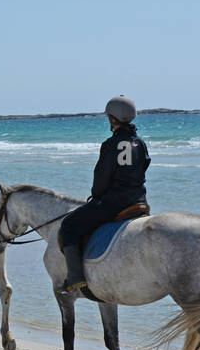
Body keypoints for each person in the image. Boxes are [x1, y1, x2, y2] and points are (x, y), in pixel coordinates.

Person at [58, 96, 150, 295]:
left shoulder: (110, 145)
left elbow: (101, 177)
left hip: (113, 203)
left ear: (112, 119)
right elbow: (143, 167)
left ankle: (75, 277)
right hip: (139, 201)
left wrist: (96, 196)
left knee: (69, 226)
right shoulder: (140, 143)